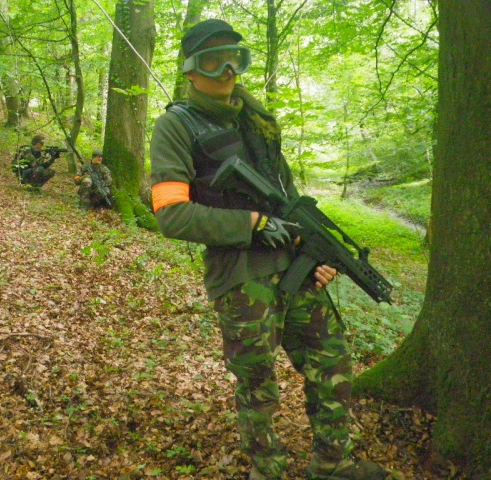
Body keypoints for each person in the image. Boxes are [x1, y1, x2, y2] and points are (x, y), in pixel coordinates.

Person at [150, 19, 385, 480]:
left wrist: (317, 256)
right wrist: (252, 224)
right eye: (212, 61)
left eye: (235, 58)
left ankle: (332, 464)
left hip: (294, 267)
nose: (226, 71)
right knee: (258, 385)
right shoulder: (175, 127)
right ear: (190, 71)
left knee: (332, 363)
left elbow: (290, 200)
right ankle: (267, 470)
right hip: (241, 278)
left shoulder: (259, 121)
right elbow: (172, 215)